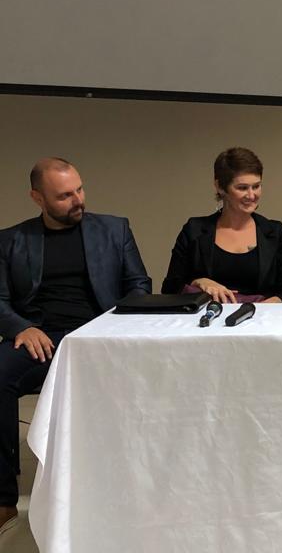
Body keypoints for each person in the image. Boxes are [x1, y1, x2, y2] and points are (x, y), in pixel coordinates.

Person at [0, 158, 151, 526]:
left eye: (79, 190)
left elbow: (139, 285)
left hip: (99, 335)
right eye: (64, 196)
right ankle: (3, 499)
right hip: (41, 338)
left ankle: (137, 485)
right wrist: (21, 327)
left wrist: (113, 327)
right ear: (37, 198)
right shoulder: (11, 240)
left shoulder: (114, 229)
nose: (77, 200)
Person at [162, 148, 282, 303]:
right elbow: (169, 288)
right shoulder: (194, 231)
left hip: (262, 316)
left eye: (256, 186)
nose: (251, 195)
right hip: (208, 317)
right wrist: (199, 281)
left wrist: (273, 303)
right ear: (220, 187)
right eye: (242, 188)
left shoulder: (275, 232)